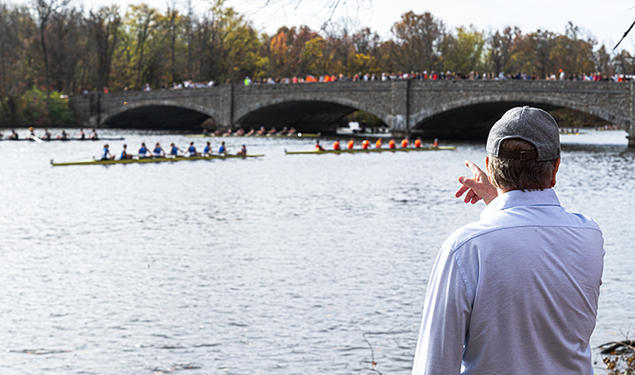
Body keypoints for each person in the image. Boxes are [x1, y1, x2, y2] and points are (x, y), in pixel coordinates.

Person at [411, 106, 604, 375]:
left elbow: (435, 366)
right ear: (556, 168)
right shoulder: (590, 236)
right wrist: (499, 200)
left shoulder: (465, 249)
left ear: (490, 166)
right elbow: (532, 235)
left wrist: (499, 199)